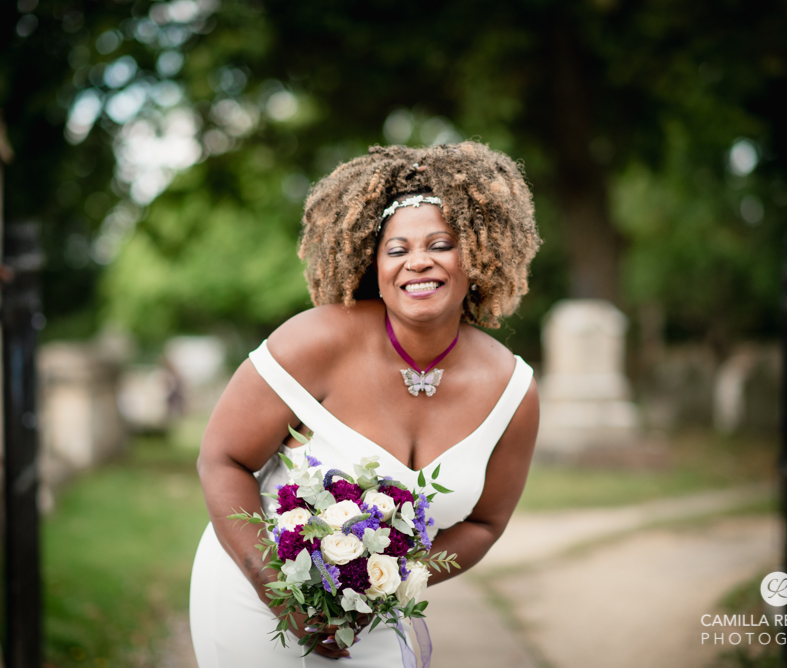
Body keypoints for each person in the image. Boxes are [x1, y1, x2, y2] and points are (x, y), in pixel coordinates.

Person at [190, 141, 542, 666]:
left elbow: (485, 524)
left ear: (478, 255)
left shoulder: (512, 389)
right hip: (253, 589)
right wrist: (279, 592)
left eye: (441, 244)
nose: (417, 262)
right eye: (396, 250)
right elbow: (222, 459)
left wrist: (391, 584)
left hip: (371, 614)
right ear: (373, 265)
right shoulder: (315, 342)